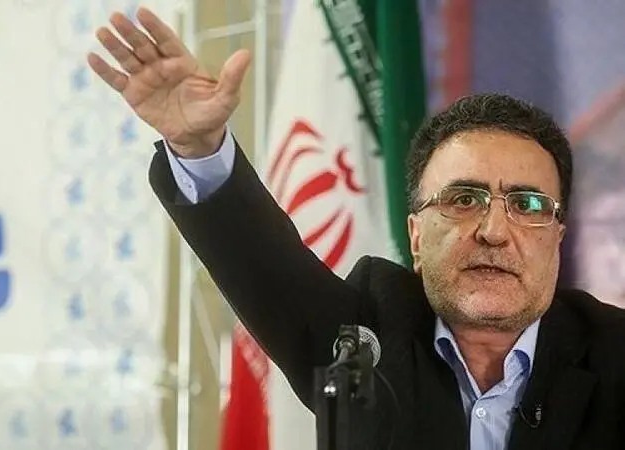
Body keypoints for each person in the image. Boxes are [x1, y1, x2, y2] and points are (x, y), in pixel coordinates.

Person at [87, 7, 625, 450]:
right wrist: (198, 147)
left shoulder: (614, 354)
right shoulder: (366, 336)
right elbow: (262, 266)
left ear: (558, 236)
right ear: (416, 237)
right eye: (463, 199)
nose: (493, 230)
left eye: (527, 204)